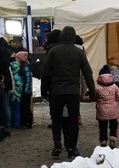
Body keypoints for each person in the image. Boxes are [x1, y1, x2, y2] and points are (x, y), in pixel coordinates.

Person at [41, 25, 95, 159]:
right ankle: (72, 147)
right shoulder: (79, 52)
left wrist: (44, 90)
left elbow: (45, 72)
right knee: (73, 119)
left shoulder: (53, 51)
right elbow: (87, 73)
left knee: (57, 119)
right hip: (72, 91)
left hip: (56, 90)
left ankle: (57, 144)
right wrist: (92, 90)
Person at [94, 65, 119, 148]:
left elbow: (94, 97)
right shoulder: (114, 86)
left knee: (102, 126)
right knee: (113, 125)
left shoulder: (97, 87)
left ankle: (103, 141)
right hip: (112, 110)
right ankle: (112, 139)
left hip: (101, 110)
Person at [13, 51, 33, 128]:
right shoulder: (23, 66)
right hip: (23, 90)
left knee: (25, 107)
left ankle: (26, 122)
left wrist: (26, 90)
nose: (15, 59)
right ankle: (24, 122)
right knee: (24, 107)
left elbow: (28, 80)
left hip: (25, 91)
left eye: (16, 58)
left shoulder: (25, 67)